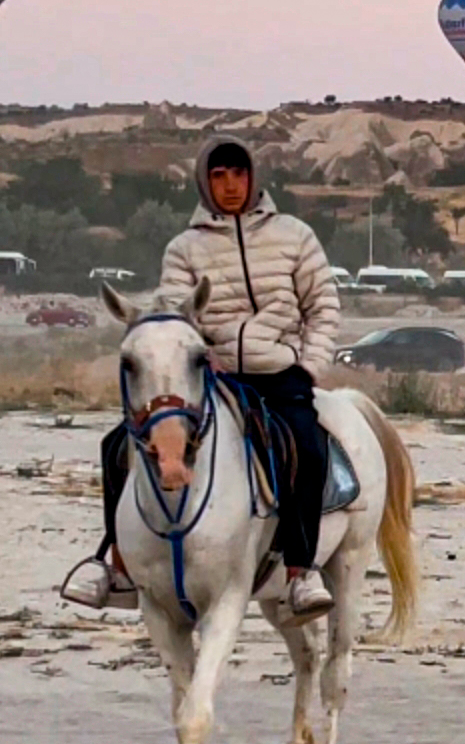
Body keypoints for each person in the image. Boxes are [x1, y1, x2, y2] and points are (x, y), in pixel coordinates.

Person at [61, 137, 342, 623]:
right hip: (213, 377)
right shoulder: (184, 248)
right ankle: (117, 565)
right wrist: (198, 359)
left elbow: (323, 307)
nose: (230, 185)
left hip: (279, 373)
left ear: (253, 177)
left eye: (238, 174)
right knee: (116, 445)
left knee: (308, 446)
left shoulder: (295, 235)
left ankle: (301, 571)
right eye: (218, 176)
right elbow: (176, 314)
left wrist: (308, 365)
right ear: (204, 182)